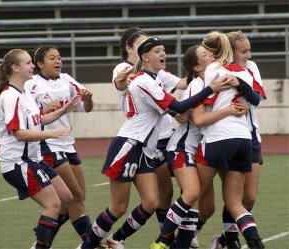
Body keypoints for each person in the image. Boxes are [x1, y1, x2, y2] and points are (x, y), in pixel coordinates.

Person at [80, 37, 231, 249]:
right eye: (158, 51)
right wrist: (210, 89)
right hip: (129, 145)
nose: (163, 54)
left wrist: (209, 71)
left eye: (163, 50)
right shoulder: (144, 80)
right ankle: (86, 246)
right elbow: (177, 106)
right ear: (144, 57)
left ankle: (116, 240)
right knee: (118, 207)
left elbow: (173, 97)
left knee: (152, 202)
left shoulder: (156, 77)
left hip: (145, 150)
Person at [151, 44, 247, 249]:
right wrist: (230, 110)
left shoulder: (216, 81)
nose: (211, 54)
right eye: (205, 54)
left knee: (207, 209)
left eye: (210, 52)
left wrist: (242, 105)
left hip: (200, 150)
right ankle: (162, 242)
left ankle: (180, 241)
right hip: (182, 148)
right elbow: (200, 119)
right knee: (192, 194)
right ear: (196, 67)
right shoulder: (198, 84)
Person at [110, 27, 189, 247]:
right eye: (144, 46)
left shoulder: (155, 72)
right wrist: (176, 109)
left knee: (184, 186)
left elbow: (181, 83)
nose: (155, 51)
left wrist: (204, 70)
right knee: (160, 196)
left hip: (166, 134)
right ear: (129, 48)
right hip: (146, 139)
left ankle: (177, 234)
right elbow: (122, 82)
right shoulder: (126, 69)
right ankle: (168, 238)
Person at [0, 49, 82, 248]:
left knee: (67, 198)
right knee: (53, 204)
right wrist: (51, 134)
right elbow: (19, 133)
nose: (32, 66)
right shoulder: (10, 97)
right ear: (15, 68)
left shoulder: (24, 93)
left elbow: (39, 120)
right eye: (28, 63)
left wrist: (65, 109)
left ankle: (42, 238)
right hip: (18, 163)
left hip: (34, 160)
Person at [190, 31, 265, 249]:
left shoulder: (247, 69)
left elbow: (255, 98)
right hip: (227, 136)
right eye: (244, 51)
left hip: (241, 136)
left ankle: (218, 239)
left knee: (247, 197)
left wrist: (239, 89)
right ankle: (227, 240)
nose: (248, 55)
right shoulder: (213, 70)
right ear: (229, 51)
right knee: (208, 196)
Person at [24, 45, 94, 243]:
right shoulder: (32, 85)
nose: (58, 61)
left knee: (72, 199)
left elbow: (87, 108)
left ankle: (42, 235)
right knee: (75, 197)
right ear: (39, 64)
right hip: (49, 144)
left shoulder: (67, 79)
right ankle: (90, 243)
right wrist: (44, 110)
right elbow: (28, 115)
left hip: (68, 144)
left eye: (59, 57)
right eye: (52, 58)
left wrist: (88, 100)